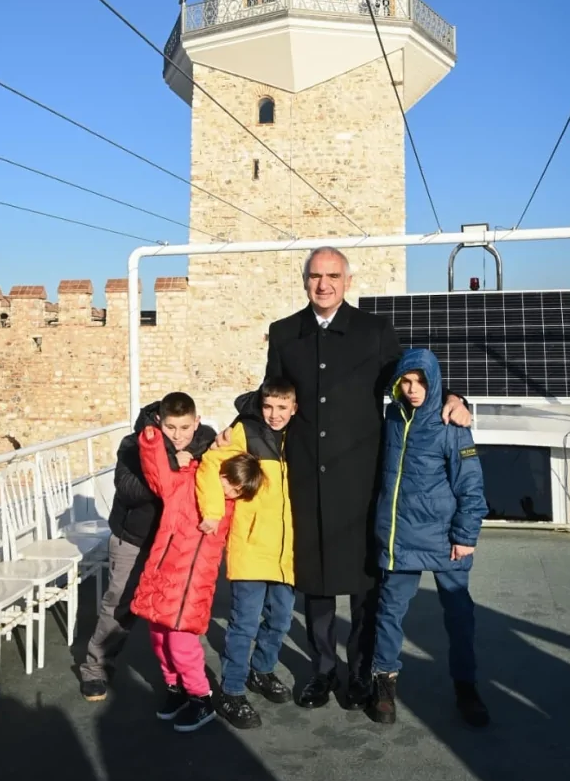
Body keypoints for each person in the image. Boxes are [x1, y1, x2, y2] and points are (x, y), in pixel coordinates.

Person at [265, 246, 471, 710]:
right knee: (315, 584)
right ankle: (322, 670)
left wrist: (453, 396)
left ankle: (359, 672)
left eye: (333, 275)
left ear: (348, 280)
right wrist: (226, 432)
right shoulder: (283, 333)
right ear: (305, 281)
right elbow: (271, 397)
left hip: (361, 480)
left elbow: (410, 381)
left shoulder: (374, 331)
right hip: (306, 478)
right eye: (316, 276)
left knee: (363, 586)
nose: (324, 284)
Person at [370, 349, 489, 727]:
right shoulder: (391, 417)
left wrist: (466, 536)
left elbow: (472, 486)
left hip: (447, 540)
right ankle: (384, 683)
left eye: (420, 382)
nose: (413, 389)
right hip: (400, 537)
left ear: (433, 382)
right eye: (406, 382)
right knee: (389, 612)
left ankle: (466, 688)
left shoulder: (452, 425)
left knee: (459, 616)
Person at [131, 411, 264, 733]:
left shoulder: (229, 511)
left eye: (236, 490)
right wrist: (151, 442)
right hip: (163, 576)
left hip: (192, 587)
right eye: (227, 482)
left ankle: (200, 697)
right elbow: (157, 472)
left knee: (181, 644)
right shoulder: (185, 483)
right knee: (159, 639)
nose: (229, 492)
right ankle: (175, 689)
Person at [79, 392, 216, 701]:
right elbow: (128, 490)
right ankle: (96, 668)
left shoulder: (205, 441)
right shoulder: (133, 444)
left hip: (177, 543)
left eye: (185, 428)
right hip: (137, 539)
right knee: (120, 603)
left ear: (196, 422)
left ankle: (179, 677)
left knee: (176, 613)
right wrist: (167, 461)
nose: (179, 436)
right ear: (159, 422)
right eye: (171, 428)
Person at [196, 377, 297, 730]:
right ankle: (232, 690)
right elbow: (209, 464)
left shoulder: (304, 436)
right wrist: (213, 509)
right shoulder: (243, 431)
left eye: (282, 407)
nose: (274, 414)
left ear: (294, 408)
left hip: (288, 551)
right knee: (244, 623)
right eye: (268, 406)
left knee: (281, 620)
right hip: (251, 546)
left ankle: (263, 671)